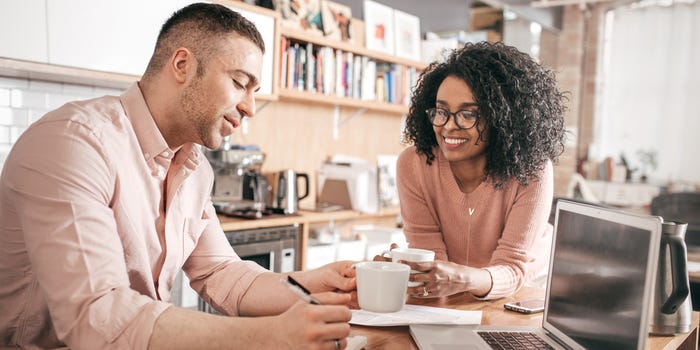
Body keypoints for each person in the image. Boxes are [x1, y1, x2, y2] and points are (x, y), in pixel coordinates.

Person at [0, 3, 356, 350]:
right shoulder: (74, 142)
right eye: (239, 82)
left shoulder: (194, 167)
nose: (249, 107)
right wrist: (269, 337)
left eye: (254, 91)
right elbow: (96, 316)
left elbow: (222, 274)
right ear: (182, 64)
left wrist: (315, 284)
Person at [391, 42, 566, 300]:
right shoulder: (414, 165)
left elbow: (513, 266)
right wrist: (412, 270)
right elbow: (431, 263)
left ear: (502, 118)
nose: (449, 126)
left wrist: (460, 278)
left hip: (522, 292)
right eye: (442, 111)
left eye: (468, 114)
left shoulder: (533, 170)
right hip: (453, 294)